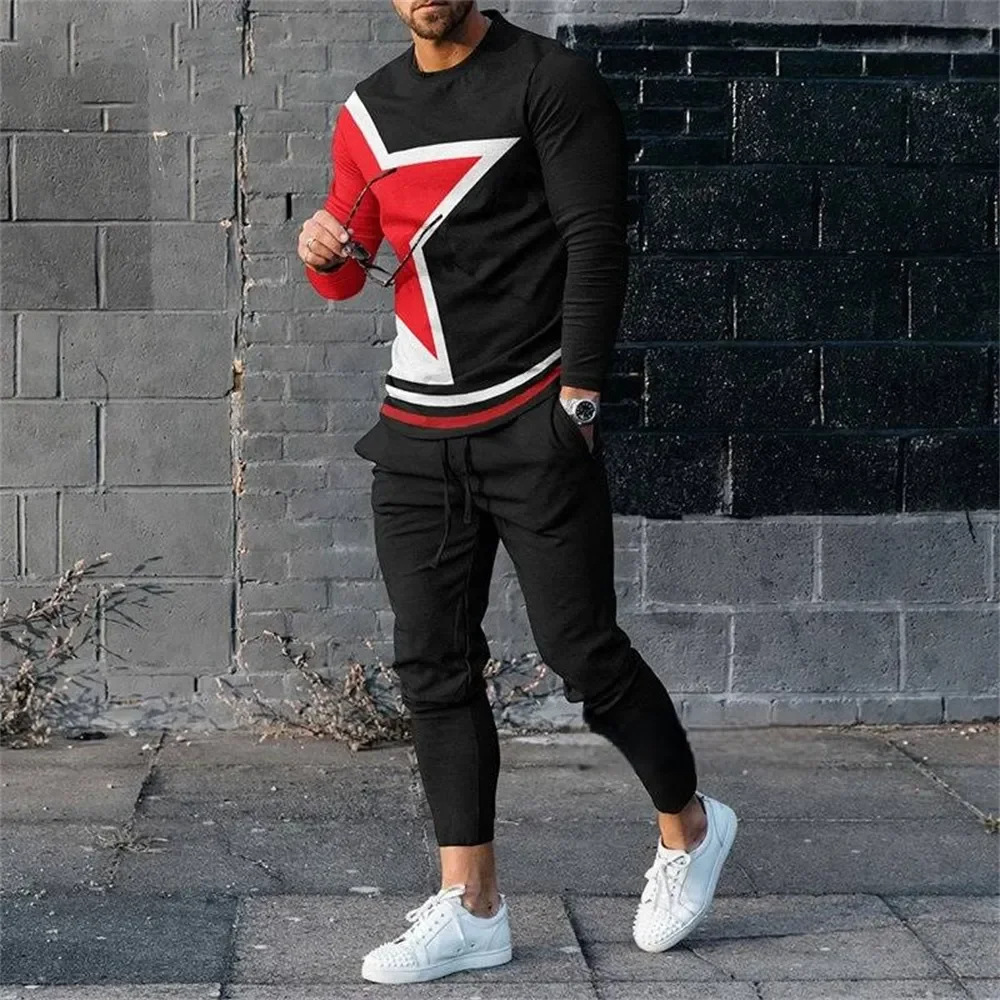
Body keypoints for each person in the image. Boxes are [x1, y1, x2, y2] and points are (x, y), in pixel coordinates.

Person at [297, 1, 738, 985]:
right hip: (416, 429)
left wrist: (577, 401)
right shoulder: (368, 112)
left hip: (532, 416)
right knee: (432, 662)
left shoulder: (549, 81)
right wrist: (321, 251)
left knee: (582, 650)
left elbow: (596, 239)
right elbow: (352, 266)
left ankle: (691, 826)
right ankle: (473, 908)